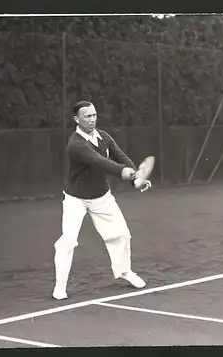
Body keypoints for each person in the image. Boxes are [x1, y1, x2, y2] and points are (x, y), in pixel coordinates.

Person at [52, 100, 151, 300]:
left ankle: (124, 271)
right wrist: (123, 171)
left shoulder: (104, 137)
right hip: (75, 199)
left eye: (94, 115)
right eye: (87, 116)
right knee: (68, 241)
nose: (92, 119)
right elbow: (99, 162)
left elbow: (121, 157)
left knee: (122, 234)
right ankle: (60, 286)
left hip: (102, 197)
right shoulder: (76, 145)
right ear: (76, 119)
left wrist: (136, 179)